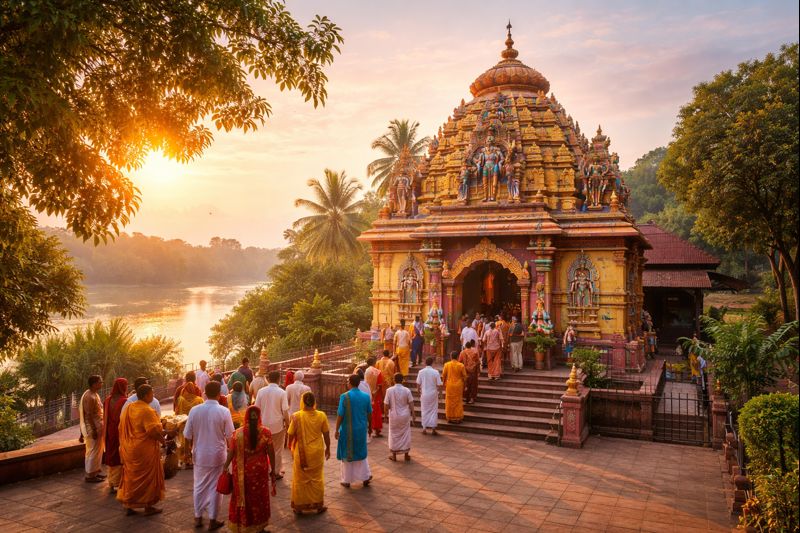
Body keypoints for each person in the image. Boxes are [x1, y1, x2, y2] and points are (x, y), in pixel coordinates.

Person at [184, 381, 234, 530]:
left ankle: (198, 517)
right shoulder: (224, 411)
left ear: (205, 393)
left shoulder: (194, 410)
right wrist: (232, 454)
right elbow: (230, 436)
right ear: (219, 394)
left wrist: (187, 453)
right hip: (218, 455)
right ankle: (212, 520)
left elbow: (187, 435)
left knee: (199, 486)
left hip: (200, 454)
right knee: (215, 488)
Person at [224, 406, 277, 533]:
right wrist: (273, 469)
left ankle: (244, 526)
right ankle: (259, 527)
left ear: (246, 417)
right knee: (259, 498)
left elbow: (231, 452)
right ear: (259, 417)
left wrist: (225, 466)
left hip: (242, 473)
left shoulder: (238, 433)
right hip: (260, 472)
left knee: (243, 498)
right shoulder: (266, 432)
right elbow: (271, 452)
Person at [117, 384, 167, 516]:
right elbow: (153, 431)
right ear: (146, 396)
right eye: (152, 394)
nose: (153, 396)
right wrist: (163, 441)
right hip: (144, 450)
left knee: (131, 477)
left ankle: (129, 504)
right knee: (147, 478)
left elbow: (121, 427)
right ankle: (148, 506)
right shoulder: (146, 410)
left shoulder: (129, 408)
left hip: (129, 448)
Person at [287, 392, 331, 515]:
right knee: (317, 478)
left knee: (300, 478)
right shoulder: (321, 415)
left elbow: (290, 434)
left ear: (302, 402)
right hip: (317, 452)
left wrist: (290, 446)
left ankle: (299, 507)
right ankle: (318, 505)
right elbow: (326, 434)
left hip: (302, 453)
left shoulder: (296, 416)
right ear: (314, 402)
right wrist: (328, 448)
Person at [335, 374, 373, 488]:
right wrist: (370, 427)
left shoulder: (345, 396)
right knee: (361, 452)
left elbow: (340, 415)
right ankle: (365, 476)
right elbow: (369, 414)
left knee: (347, 453)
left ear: (350, 383)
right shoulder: (366, 397)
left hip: (348, 429)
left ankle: (347, 480)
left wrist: (336, 429)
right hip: (361, 429)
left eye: (348, 381)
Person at [254, 371, 289, 479]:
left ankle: (266, 469)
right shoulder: (282, 392)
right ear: (278, 379)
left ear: (268, 379)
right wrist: (288, 424)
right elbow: (285, 411)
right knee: (277, 449)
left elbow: (256, 408)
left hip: (263, 424)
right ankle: (276, 471)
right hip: (277, 425)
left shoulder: (261, 391)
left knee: (263, 449)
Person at [102, 377, 127, 492]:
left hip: (108, 432)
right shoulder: (124, 401)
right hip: (119, 432)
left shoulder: (107, 400)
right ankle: (117, 483)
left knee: (111, 455)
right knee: (118, 455)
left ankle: (111, 483)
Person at [80, 375, 105, 483]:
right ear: (94, 384)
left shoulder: (95, 394)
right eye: (100, 382)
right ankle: (90, 475)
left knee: (97, 450)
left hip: (98, 425)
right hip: (93, 427)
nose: (101, 383)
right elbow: (88, 414)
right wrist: (94, 429)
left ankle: (95, 471)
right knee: (93, 451)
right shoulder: (89, 396)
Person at [384, 373, 414, 462]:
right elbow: (411, 403)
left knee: (394, 434)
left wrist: (385, 415)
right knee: (405, 434)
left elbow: (386, 404)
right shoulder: (407, 390)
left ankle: (394, 456)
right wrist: (413, 414)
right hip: (405, 416)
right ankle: (406, 455)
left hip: (394, 416)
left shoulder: (389, 390)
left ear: (394, 380)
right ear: (402, 380)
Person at [416, 357, 442, 435]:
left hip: (424, 393)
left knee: (424, 410)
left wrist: (418, 391)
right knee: (433, 410)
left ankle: (424, 428)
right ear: (432, 363)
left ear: (425, 363)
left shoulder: (421, 372)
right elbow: (439, 384)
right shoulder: (436, 372)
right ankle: (433, 429)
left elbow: (418, 383)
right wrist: (440, 393)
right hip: (433, 393)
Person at [442, 351, 467, 423]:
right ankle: (457, 417)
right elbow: (465, 377)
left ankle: (450, 417)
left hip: (449, 385)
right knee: (458, 401)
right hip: (458, 385)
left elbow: (444, 375)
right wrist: (465, 385)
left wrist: (444, 384)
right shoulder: (461, 365)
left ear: (451, 357)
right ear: (458, 357)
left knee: (449, 401)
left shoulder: (447, 364)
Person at [363, 356, 385, 438]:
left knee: (369, 412)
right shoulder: (378, 372)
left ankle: (369, 428)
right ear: (374, 363)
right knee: (376, 412)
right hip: (375, 395)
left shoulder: (366, 371)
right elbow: (379, 385)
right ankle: (377, 430)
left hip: (367, 394)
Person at [459, 340, 481, 404]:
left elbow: (460, 362)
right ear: (471, 346)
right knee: (473, 385)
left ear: (465, 346)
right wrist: (478, 371)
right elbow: (478, 362)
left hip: (465, 371)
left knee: (466, 384)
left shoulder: (462, 352)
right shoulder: (475, 352)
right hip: (473, 371)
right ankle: (472, 399)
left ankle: (466, 398)